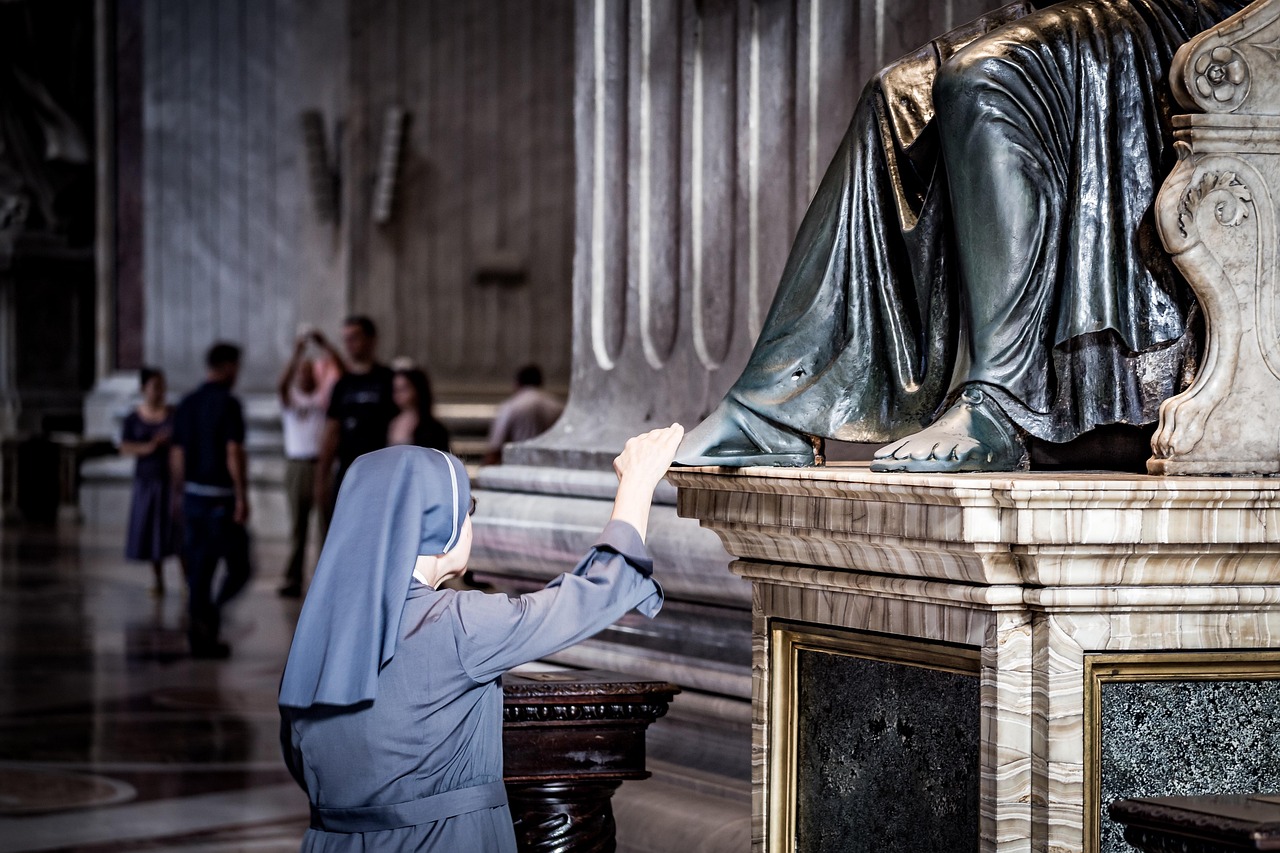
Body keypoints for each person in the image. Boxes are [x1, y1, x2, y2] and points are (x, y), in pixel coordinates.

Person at [675, 0, 1252, 473]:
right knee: (896, 98)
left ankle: (1000, 401)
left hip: (1216, 21)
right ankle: (775, 409)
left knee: (987, 77)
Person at [278, 424, 684, 852]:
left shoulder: (315, 638)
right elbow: (596, 596)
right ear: (440, 526)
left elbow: (300, 761)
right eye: (468, 508)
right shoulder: (455, 623)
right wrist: (636, 486)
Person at [171, 342, 253, 659]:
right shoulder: (228, 404)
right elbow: (233, 451)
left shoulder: (187, 404)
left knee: (199, 571)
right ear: (228, 366)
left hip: (194, 496)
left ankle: (201, 629)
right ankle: (209, 619)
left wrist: (179, 494)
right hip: (220, 500)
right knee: (240, 567)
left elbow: (177, 455)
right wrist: (242, 496)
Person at [315, 315, 397, 530]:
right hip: (349, 472)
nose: (350, 344)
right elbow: (331, 431)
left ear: (371, 340)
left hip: (382, 472)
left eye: (355, 338)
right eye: (346, 339)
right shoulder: (342, 384)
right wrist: (321, 478)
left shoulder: (389, 380)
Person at [277, 330, 339, 598]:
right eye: (300, 371)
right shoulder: (291, 399)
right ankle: (293, 578)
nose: (305, 374)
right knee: (298, 527)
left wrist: (325, 344)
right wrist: (298, 352)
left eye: (309, 370)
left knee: (325, 525)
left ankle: (325, 579)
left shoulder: (323, 399)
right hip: (297, 466)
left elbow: (341, 369)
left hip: (320, 464)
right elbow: (282, 383)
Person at [119, 366, 179, 596]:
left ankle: (187, 580)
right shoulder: (134, 418)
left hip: (169, 480)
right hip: (147, 479)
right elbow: (125, 446)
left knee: (175, 530)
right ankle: (157, 578)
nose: (159, 391)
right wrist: (150, 446)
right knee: (152, 531)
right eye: (155, 386)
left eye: (162, 386)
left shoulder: (173, 414)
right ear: (144, 388)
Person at [483, 364, 564, 465]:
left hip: (518, 469)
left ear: (517, 383)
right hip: (549, 469)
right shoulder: (558, 407)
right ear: (541, 382)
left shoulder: (511, 406)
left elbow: (495, 449)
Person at [388, 366, 450, 451]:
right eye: (396, 390)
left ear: (417, 389)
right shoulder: (390, 423)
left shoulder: (434, 429)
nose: (398, 394)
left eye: (403, 389)